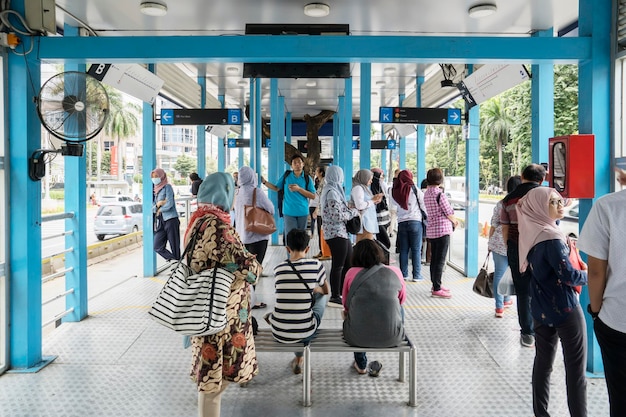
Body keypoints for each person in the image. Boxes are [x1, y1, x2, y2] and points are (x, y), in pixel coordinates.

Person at [184, 172, 262, 417]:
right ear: (224, 193)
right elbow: (243, 267)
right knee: (215, 379)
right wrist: (255, 266)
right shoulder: (216, 225)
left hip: (207, 310)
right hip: (221, 316)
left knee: (213, 376)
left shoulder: (198, 220)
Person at [516, 186, 588, 417]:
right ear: (539, 207)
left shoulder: (532, 233)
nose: (560, 205)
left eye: (560, 201)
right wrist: (594, 274)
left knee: (543, 365)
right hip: (565, 310)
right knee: (575, 370)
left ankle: (541, 413)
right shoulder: (552, 238)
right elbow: (568, 276)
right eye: (554, 202)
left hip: (540, 307)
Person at [577, 168, 626, 417]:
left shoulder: (608, 206)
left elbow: (596, 271)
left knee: (621, 396)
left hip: (618, 320)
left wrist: (595, 313)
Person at [265, 229, 329, 374]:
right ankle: (299, 356)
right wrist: (315, 290)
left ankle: (298, 357)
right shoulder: (316, 265)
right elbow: (326, 291)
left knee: (292, 306)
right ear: (308, 249)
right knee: (321, 298)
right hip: (306, 331)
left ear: (287, 249)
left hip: (279, 331)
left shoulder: (278, 269)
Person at [342, 239, 406, 376]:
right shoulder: (395, 271)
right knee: (400, 308)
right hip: (392, 337)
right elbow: (402, 300)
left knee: (353, 312)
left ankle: (360, 363)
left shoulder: (351, 272)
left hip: (356, 337)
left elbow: (345, 304)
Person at [500, 163, 546, 348]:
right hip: (542, 247)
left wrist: (510, 246)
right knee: (544, 287)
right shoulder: (547, 195)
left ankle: (527, 333)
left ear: (522, 175)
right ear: (541, 179)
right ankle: (544, 328)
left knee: (522, 290)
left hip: (516, 247)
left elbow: (505, 227)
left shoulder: (509, 199)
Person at [234, 166, 275, 310]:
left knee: (246, 269)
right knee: (254, 270)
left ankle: (245, 298)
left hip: (242, 237)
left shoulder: (237, 192)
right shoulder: (256, 192)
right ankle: (250, 301)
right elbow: (271, 209)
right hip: (257, 236)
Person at [320, 166, 360, 307]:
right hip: (335, 233)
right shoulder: (332, 192)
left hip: (340, 232)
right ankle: (335, 296)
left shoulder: (335, 190)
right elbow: (336, 215)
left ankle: (343, 291)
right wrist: (352, 214)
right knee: (338, 265)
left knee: (348, 262)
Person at [488, 175, 521, 318]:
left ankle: (500, 306)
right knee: (514, 273)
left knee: (500, 273)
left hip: (499, 243)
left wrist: (490, 243)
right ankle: (506, 300)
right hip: (517, 243)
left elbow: (494, 224)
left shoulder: (501, 203)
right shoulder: (524, 203)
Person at [423, 168, 459, 298]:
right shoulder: (440, 194)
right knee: (440, 260)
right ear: (440, 179)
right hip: (442, 230)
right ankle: (437, 288)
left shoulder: (426, 194)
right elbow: (448, 211)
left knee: (434, 259)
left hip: (432, 230)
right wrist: (455, 221)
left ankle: (435, 284)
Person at [263, 154, 316, 239]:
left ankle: (301, 252)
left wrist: (299, 189)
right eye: (295, 163)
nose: (297, 164)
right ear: (291, 165)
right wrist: (265, 182)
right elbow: (277, 188)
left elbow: (313, 196)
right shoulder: (287, 176)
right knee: (290, 237)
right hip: (289, 212)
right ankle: (290, 253)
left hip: (302, 212)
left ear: (303, 164)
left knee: (301, 238)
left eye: (299, 162)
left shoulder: (307, 178)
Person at [391, 169, 426, 282]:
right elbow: (423, 205)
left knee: (404, 250)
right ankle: (417, 275)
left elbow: (393, 204)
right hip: (415, 222)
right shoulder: (415, 189)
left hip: (401, 223)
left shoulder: (394, 190)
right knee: (416, 250)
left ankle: (403, 275)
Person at [151, 168, 181, 262]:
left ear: (162, 176)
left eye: (156, 176)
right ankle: (176, 263)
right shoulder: (154, 190)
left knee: (174, 245)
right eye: (153, 177)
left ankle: (177, 268)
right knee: (157, 246)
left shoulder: (167, 187)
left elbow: (170, 204)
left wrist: (160, 209)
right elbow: (152, 208)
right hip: (161, 221)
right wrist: (158, 204)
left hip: (171, 219)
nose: (154, 178)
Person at [350, 169, 383, 242]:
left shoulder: (364, 188)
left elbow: (366, 202)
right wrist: (372, 200)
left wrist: (375, 200)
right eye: (370, 179)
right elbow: (360, 205)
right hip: (364, 223)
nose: (371, 181)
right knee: (365, 245)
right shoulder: (358, 188)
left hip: (367, 222)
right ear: (364, 178)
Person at [371, 168, 391, 250]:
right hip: (381, 216)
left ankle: (383, 256)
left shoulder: (373, 186)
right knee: (383, 240)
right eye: (381, 175)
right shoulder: (381, 184)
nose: (382, 178)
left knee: (381, 238)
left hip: (381, 216)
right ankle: (383, 257)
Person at [312, 165, 326, 258]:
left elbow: (321, 197)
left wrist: (316, 210)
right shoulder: (320, 181)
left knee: (321, 232)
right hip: (321, 211)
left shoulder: (324, 182)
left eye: (317, 170)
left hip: (322, 211)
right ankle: (322, 251)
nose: (315, 172)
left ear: (321, 172)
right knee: (320, 232)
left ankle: (324, 252)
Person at [388, 168, 401, 238]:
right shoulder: (399, 184)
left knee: (392, 218)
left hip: (391, 205)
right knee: (393, 219)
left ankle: (391, 230)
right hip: (396, 206)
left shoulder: (391, 186)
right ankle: (391, 231)